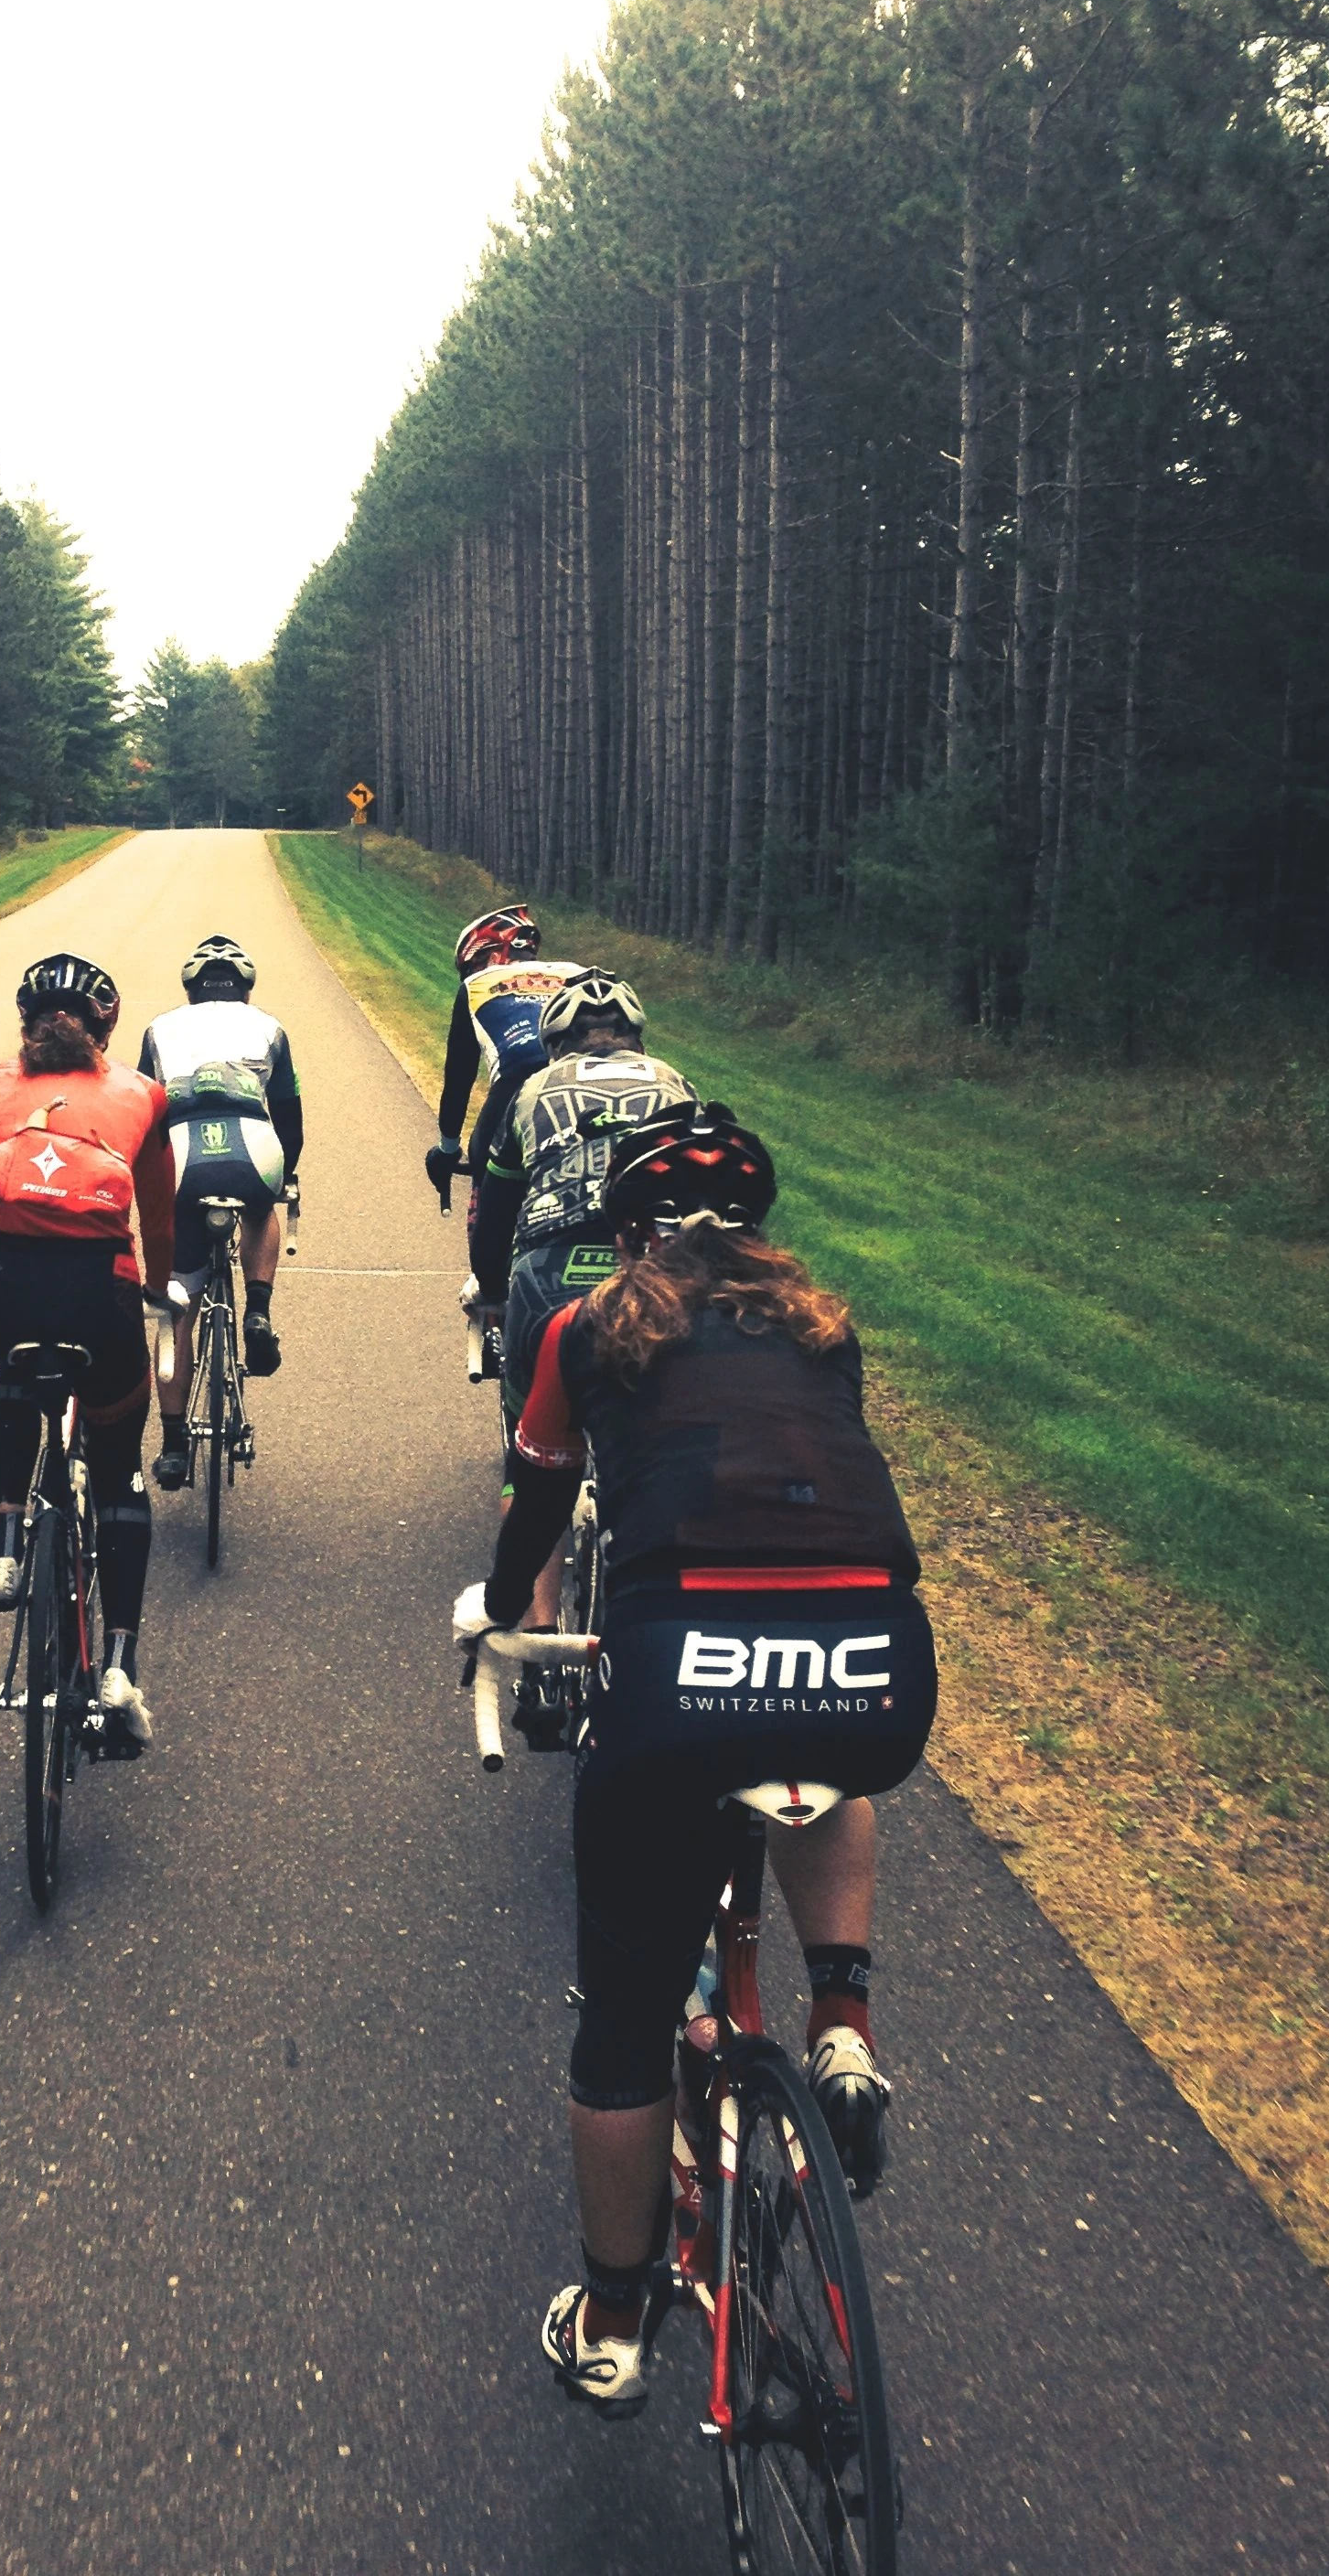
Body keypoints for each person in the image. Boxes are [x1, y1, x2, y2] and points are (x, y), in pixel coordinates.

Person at [452, 1107, 934, 2419]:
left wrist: (504, 1609)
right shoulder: (826, 1327)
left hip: (683, 1681)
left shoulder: (585, 1326)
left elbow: (539, 1498)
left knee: (622, 2029)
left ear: (624, 1234)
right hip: (879, 1663)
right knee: (822, 1769)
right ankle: (840, 2023)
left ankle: (614, 2317)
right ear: (762, 1233)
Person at [0, 952, 176, 1748]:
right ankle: (119, 1663)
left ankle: (5, 1543)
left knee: (13, 1354)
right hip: (102, 1302)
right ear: (104, 1028)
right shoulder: (145, 1095)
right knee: (117, 1464)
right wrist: (158, 1292)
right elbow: (158, 1217)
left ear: (24, 1023)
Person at [462, 970, 694, 1735]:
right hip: (655, 1266)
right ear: (635, 1036)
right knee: (667, 1425)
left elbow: (494, 1207)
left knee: (534, 1451)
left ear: (558, 1040)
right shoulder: (674, 1084)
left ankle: (537, 1641)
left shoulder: (533, 1089)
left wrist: (493, 1288)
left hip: (550, 1268)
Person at [135, 934, 305, 1491]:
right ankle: (257, 1310)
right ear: (246, 989)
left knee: (177, 1307)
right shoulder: (269, 1027)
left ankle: (175, 1443)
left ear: (190, 990)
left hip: (183, 1156)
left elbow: (143, 1111)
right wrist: (287, 1176)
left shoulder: (160, 1028)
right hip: (254, 1149)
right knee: (261, 1208)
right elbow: (290, 1116)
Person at [423, 905, 586, 1208]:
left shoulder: (476, 986)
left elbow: (459, 1078)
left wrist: (447, 1151)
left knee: (487, 1177)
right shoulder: (578, 973)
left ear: (488, 955)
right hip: (604, 1080)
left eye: (469, 968)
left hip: (519, 1087)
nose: (469, 976)